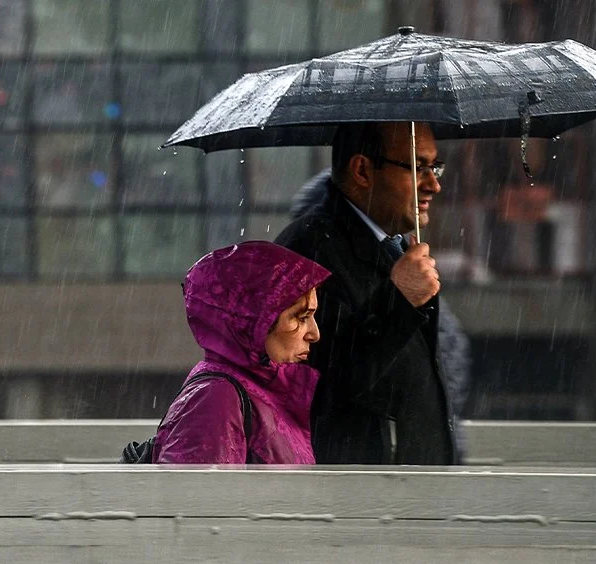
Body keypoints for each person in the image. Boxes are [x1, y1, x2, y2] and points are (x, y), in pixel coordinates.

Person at [274, 122, 457, 464]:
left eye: (435, 167)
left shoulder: (393, 248)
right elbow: (324, 387)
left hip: (406, 485)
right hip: (362, 489)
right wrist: (399, 300)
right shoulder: (309, 251)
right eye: (417, 167)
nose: (434, 184)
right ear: (362, 170)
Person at [154, 241, 330, 464]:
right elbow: (194, 487)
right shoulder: (217, 398)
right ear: (253, 319)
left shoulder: (257, 389)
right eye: (301, 317)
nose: (315, 334)